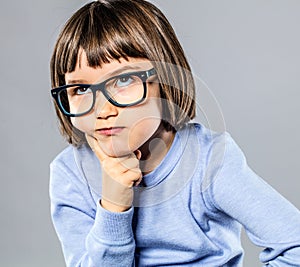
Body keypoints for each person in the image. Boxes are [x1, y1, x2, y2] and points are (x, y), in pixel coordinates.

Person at [49, 0, 300, 266]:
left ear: (165, 78)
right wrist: (114, 208)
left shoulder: (208, 159)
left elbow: (294, 244)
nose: (103, 109)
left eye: (123, 80)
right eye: (81, 89)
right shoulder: (70, 173)